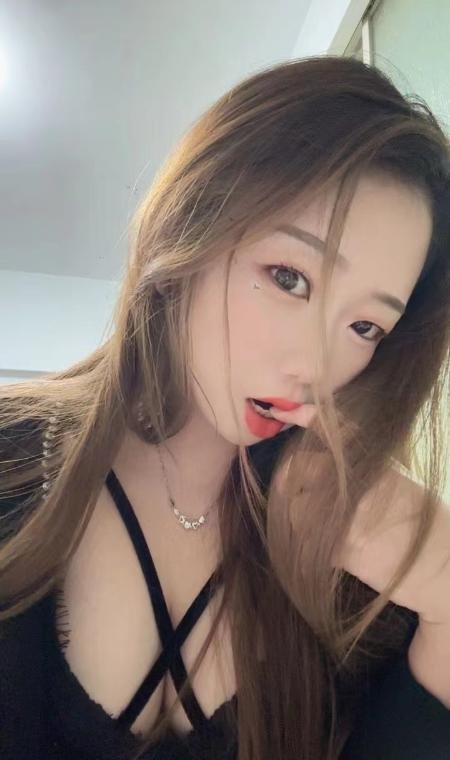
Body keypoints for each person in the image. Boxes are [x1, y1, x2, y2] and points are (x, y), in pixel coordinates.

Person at [0, 55, 449, 760]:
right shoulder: (12, 453)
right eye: (289, 277)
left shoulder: (346, 555)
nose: (316, 368)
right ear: (191, 226)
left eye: (366, 326)